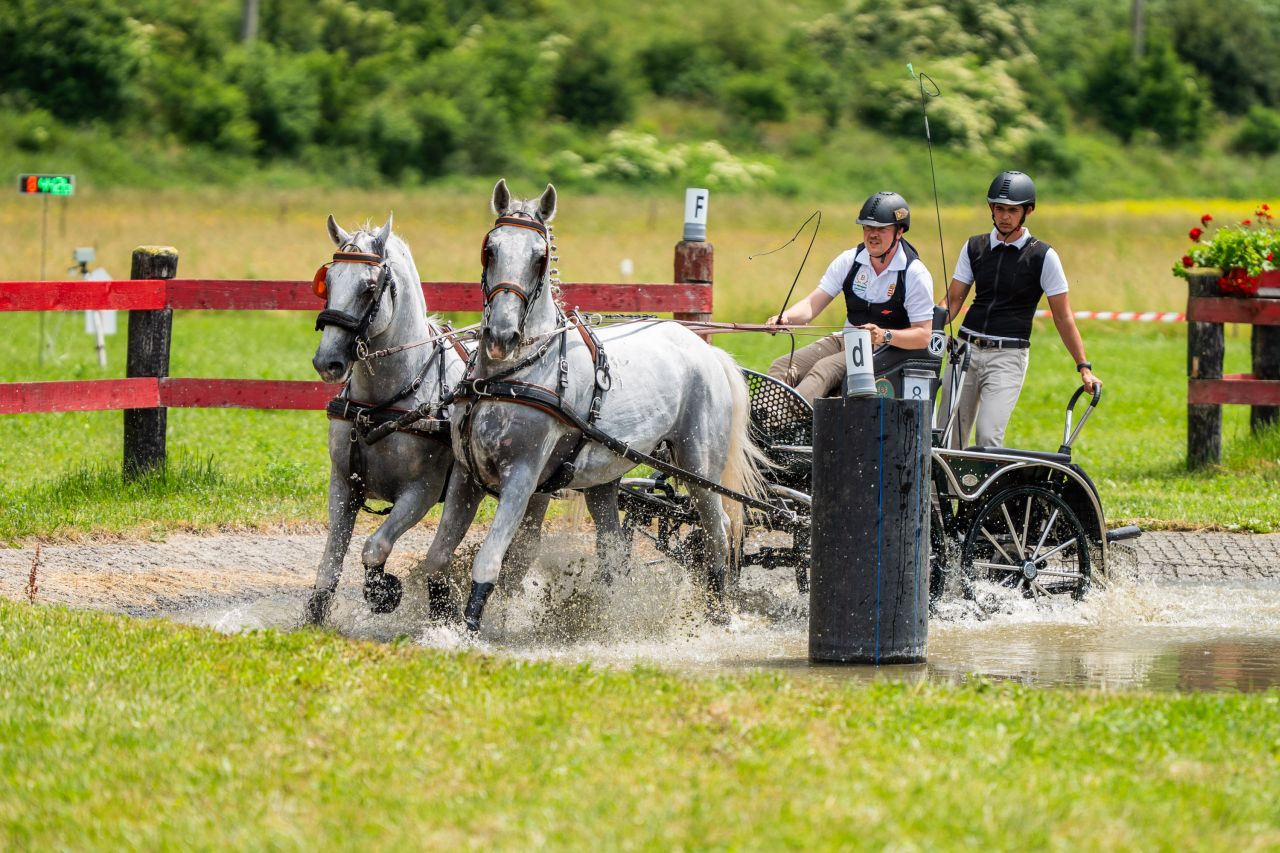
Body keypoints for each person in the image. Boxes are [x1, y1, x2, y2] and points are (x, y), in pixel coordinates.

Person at [942, 170, 1101, 448]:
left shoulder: (1043, 256)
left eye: (1012, 210)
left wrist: (1084, 367)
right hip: (964, 349)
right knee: (946, 434)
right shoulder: (974, 247)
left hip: (1008, 356)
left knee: (988, 436)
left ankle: (986, 494)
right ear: (991, 209)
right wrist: (926, 328)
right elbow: (953, 300)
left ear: (1027, 211)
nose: (1004, 216)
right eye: (999, 209)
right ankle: (935, 494)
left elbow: (1063, 317)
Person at [766, 191, 936, 404]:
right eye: (867, 227)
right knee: (782, 366)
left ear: (899, 231)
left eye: (881, 229)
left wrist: (883, 335)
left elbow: (923, 336)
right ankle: (766, 420)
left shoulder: (914, 273)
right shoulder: (849, 260)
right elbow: (812, 303)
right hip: (846, 339)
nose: (872, 235)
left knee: (823, 370)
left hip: (886, 350)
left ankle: (782, 422)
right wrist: (786, 318)